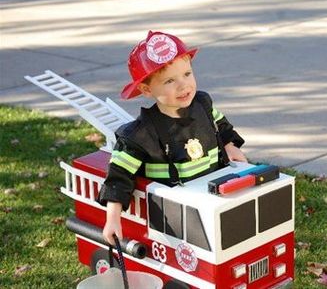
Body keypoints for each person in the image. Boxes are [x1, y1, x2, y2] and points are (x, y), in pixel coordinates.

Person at [97, 31, 247, 245]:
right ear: (146, 89)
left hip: (215, 196)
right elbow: (118, 178)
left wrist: (230, 145)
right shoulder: (140, 135)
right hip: (174, 217)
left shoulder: (203, 104)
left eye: (187, 74)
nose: (183, 85)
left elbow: (221, 126)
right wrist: (112, 218)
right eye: (169, 80)